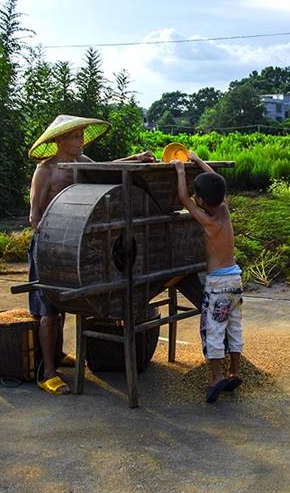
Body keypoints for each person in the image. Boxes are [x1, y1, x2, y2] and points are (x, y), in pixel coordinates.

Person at [27, 115, 155, 395]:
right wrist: (50, 241)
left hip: (75, 244)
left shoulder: (83, 162)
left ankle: (59, 354)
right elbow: (34, 216)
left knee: (70, 302)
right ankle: (48, 372)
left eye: (82, 135)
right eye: (75, 136)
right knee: (49, 309)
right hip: (48, 244)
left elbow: (109, 169)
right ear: (60, 140)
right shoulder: (46, 170)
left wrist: (136, 158)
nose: (80, 140)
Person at [172, 151, 243, 403]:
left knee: (213, 329)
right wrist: (198, 160)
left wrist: (180, 170)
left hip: (218, 285)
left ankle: (215, 378)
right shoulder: (223, 210)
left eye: (197, 196)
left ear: (201, 200)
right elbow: (217, 178)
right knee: (233, 326)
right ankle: (234, 370)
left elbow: (183, 198)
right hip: (235, 280)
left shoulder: (209, 223)